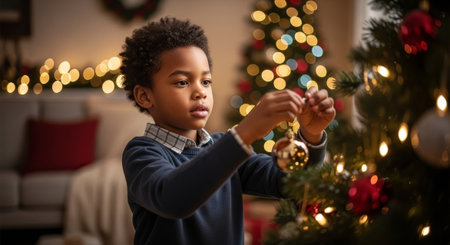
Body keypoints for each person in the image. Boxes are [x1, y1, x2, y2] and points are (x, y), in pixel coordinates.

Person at [120, 17, 336, 245]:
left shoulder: (223, 147)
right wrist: (244, 133)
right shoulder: (142, 152)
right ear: (145, 96)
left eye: (206, 81)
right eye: (183, 82)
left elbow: (288, 183)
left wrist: (311, 136)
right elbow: (173, 199)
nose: (200, 92)